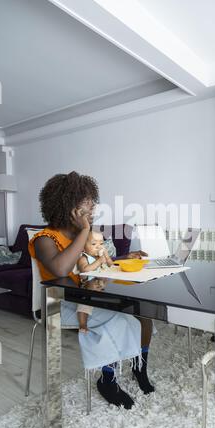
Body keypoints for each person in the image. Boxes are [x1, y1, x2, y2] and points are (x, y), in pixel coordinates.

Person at [28, 171, 154, 410]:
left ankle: (139, 368)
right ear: (66, 206)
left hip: (88, 297)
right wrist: (86, 230)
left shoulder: (81, 236)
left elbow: (100, 262)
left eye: (91, 205)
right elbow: (62, 269)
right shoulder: (44, 238)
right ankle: (107, 380)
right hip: (60, 306)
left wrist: (125, 257)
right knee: (118, 318)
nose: (92, 210)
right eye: (85, 207)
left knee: (143, 315)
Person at [77, 230, 114, 333]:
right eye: (94, 244)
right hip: (87, 288)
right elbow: (84, 270)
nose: (98, 247)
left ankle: (107, 319)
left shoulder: (101, 257)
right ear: (83, 247)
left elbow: (112, 266)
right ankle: (83, 324)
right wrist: (98, 262)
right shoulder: (84, 258)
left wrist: (106, 256)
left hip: (101, 285)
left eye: (101, 243)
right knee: (84, 306)